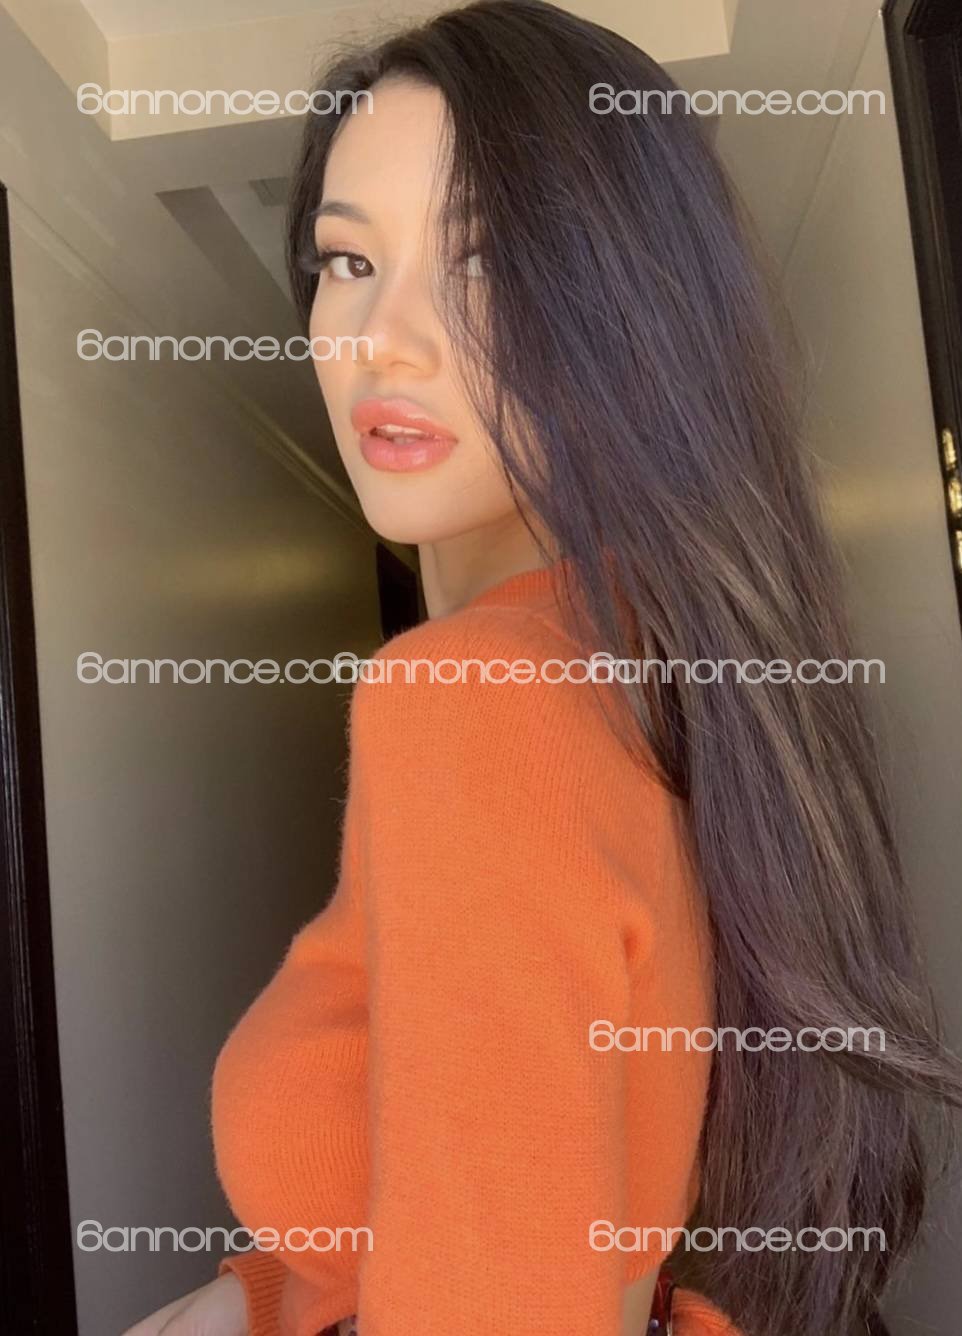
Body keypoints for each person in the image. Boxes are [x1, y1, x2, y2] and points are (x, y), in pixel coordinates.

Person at [124, 3, 962, 1334]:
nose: (381, 338)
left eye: (486, 261)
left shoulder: (475, 702)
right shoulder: (651, 659)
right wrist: (270, 1299)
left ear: (627, 313)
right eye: (347, 260)